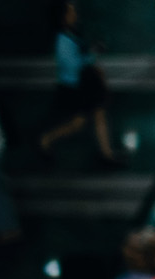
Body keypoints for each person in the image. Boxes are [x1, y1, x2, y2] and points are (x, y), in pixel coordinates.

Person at [38, 1, 123, 169]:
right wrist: (91, 55)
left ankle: (106, 154)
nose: (75, 16)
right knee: (79, 123)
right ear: (62, 17)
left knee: (96, 115)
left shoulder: (70, 37)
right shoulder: (63, 40)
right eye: (71, 13)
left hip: (80, 87)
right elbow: (73, 65)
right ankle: (45, 140)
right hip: (75, 89)